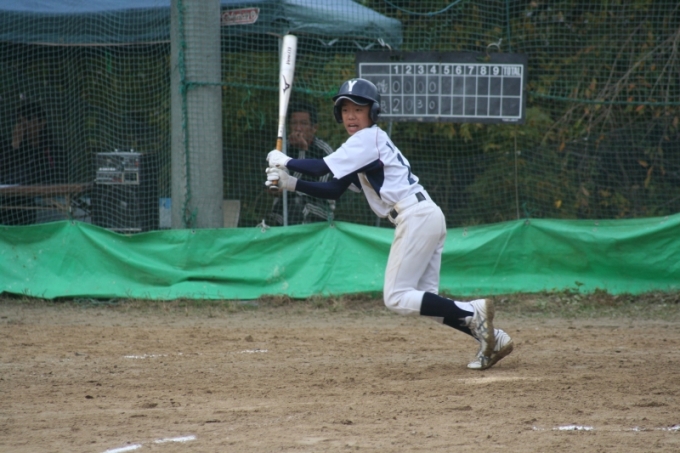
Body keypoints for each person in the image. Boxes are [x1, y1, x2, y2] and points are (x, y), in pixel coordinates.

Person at [265, 78, 513, 370]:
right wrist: (290, 183)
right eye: (345, 110)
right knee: (427, 302)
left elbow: (321, 167)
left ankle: (473, 311)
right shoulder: (361, 147)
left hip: (415, 216)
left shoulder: (368, 139)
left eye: (359, 109)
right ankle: (494, 338)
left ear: (372, 112)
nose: (351, 116)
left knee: (396, 297)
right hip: (425, 215)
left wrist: (285, 160)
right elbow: (333, 189)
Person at [269, 100, 353, 225]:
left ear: (314, 128)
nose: (298, 128)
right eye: (294, 123)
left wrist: (303, 151)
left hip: (319, 207)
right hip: (285, 204)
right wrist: (275, 188)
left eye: (303, 123)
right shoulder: (282, 150)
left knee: (297, 203)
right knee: (275, 214)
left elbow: (316, 190)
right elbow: (273, 188)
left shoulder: (324, 152)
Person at [1, 102, 67, 224]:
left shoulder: (53, 150)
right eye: (20, 122)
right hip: (13, 203)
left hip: (48, 202)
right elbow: (6, 173)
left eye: (28, 120)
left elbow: (57, 176)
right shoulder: (11, 149)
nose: (24, 126)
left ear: (42, 123)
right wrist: (14, 145)